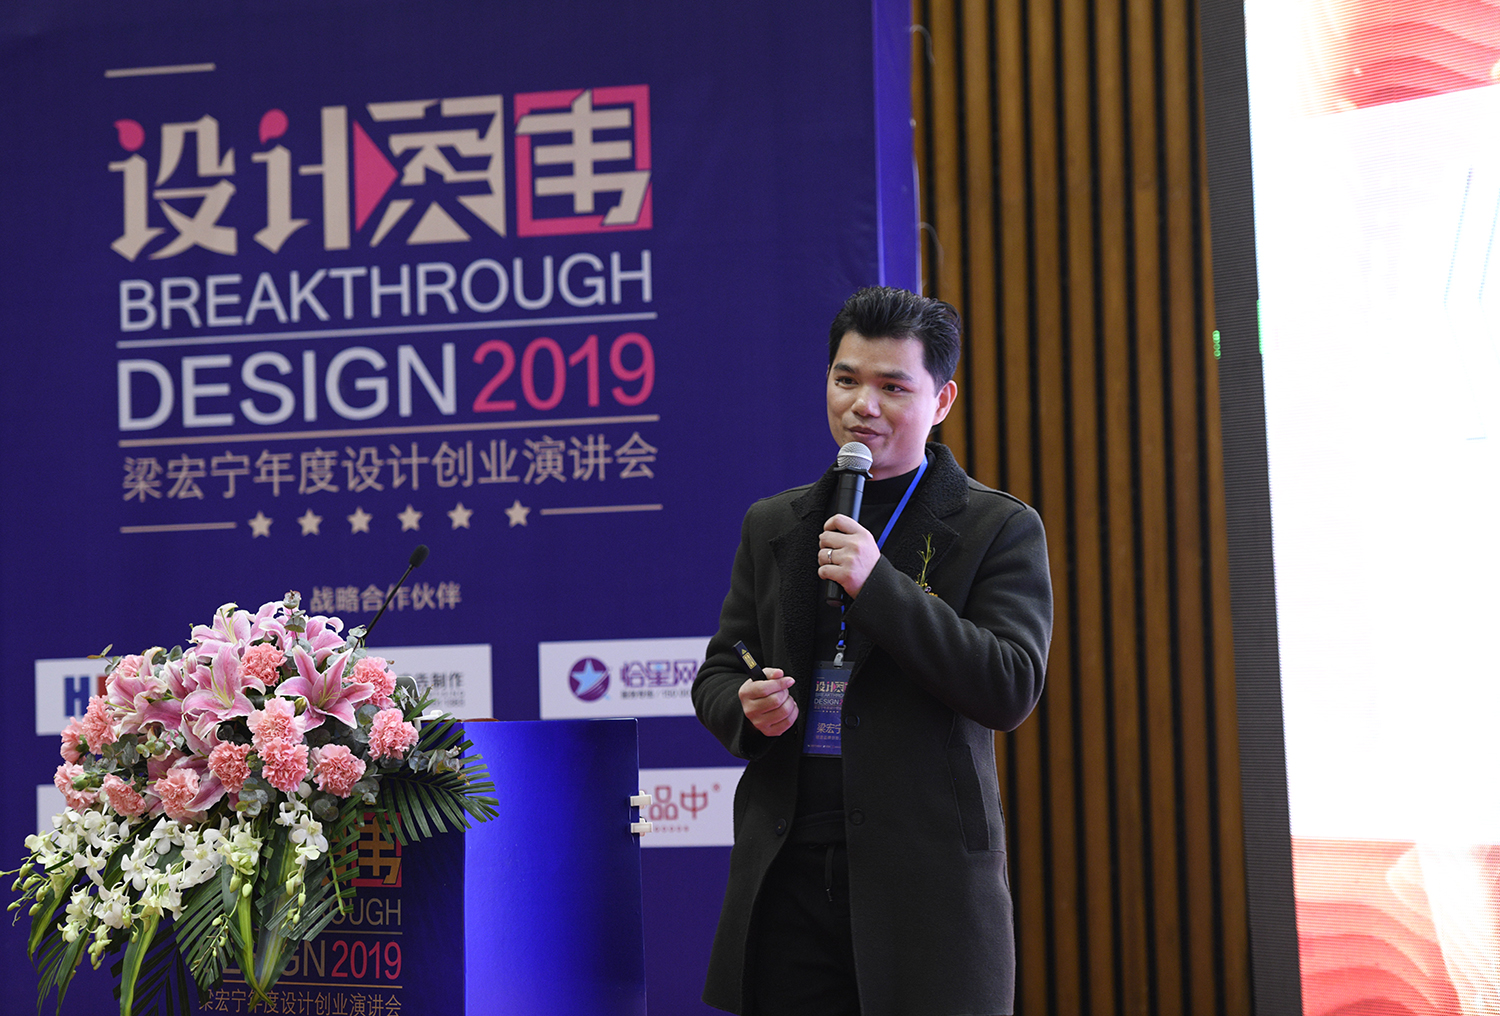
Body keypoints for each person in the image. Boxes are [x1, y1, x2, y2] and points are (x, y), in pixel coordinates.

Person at [692, 286, 1054, 1016]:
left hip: (924, 884)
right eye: (846, 379)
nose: (863, 405)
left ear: (942, 400)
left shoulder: (996, 526)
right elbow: (721, 671)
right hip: (788, 870)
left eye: (893, 387)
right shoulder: (775, 523)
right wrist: (746, 704)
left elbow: (1009, 685)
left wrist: (878, 584)